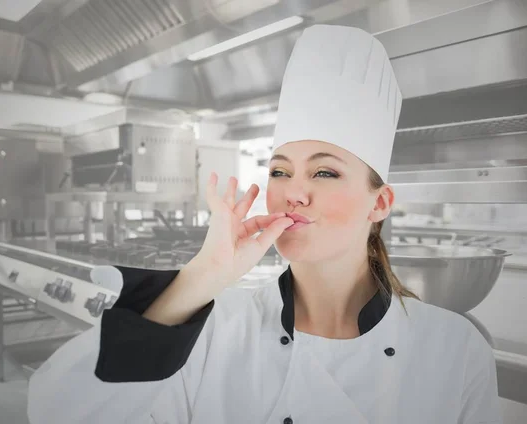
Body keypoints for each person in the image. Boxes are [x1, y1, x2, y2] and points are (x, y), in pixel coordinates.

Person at [27, 25, 501, 424]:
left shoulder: (453, 349)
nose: (293, 190)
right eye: (279, 171)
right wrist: (200, 277)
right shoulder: (210, 333)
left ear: (380, 203)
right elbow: (57, 410)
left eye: (324, 171)